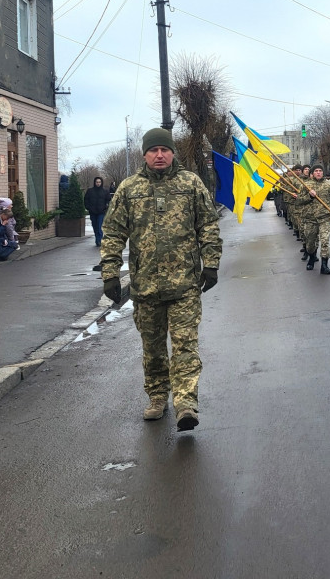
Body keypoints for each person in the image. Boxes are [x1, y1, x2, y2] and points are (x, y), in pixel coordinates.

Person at [100, 127, 222, 431]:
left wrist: (212, 264)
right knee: (152, 349)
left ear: (172, 153)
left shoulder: (191, 183)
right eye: (153, 150)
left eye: (164, 150)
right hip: (145, 287)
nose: (159, 155)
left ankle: (185, 404)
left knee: (184, 347)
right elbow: (114, 233)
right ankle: (157, 397)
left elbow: (207, 225)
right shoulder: (129, 189)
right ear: (144, 154)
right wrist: (110, 274)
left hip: (185, 286)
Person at [294, 164, 330, 275]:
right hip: (310, 219)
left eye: (320, 170)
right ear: (312, 173)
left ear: (323, 172)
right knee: (310, 243)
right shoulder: (306, 185)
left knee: (325, 241)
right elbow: (298, 201)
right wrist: (309, 196)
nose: (318, 172)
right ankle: (312, 257)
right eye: (316, 171)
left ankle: (324, 265)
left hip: (324, 218)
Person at [84, 176, 112, 248]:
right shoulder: (90, 191)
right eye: (97, 182)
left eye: (99, 182)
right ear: (95, 182)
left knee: (99, 227)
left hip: (101, 212)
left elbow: (109, 199)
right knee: (95, 226)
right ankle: (97, 239)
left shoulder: (105, 191)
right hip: (93, 212)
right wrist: (88, 207)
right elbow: (86, 200)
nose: (98, 183)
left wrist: (106, 207)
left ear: (101, 182)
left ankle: (99, 240)